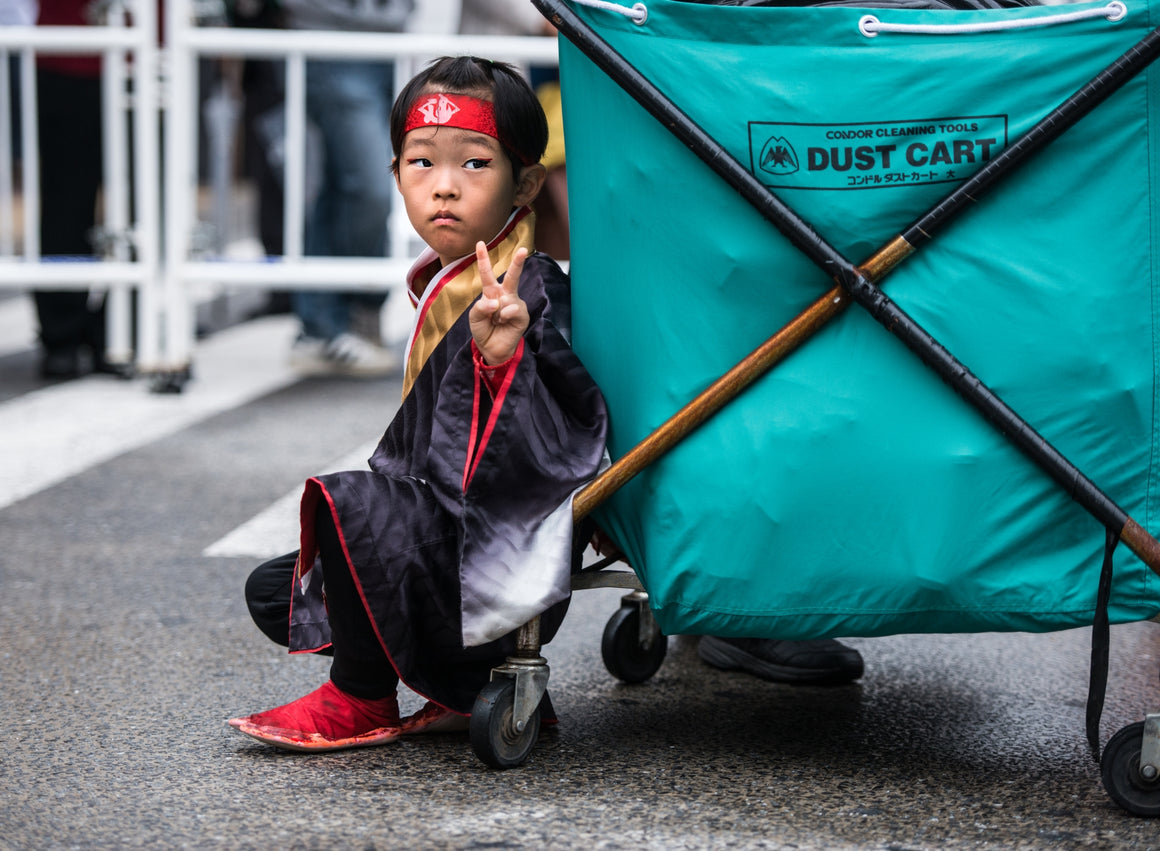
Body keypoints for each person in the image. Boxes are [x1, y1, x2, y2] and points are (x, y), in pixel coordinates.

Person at [228, 56, 609, 752]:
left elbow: (561, 442)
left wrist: (502, 363)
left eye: (474, 165)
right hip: (446, 536)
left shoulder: (532, 286)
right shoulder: (449, 278)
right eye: (420, 162)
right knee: (276, 588)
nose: (443, 187)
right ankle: (464, 686)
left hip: (491, 554)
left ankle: (361, 697)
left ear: (526, 182)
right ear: (395, 173)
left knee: (349, 504)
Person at [278, 0, 413, 377]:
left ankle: (322, 324)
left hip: (392, 35)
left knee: (344, 182)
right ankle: (355, 313)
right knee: (370, 182)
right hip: (326, 32)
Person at [34, 0, 112, 379]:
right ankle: (62, 331)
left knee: (149, 208)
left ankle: (118, 328)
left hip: (150, 57)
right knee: (65, 202)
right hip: (69, 51)